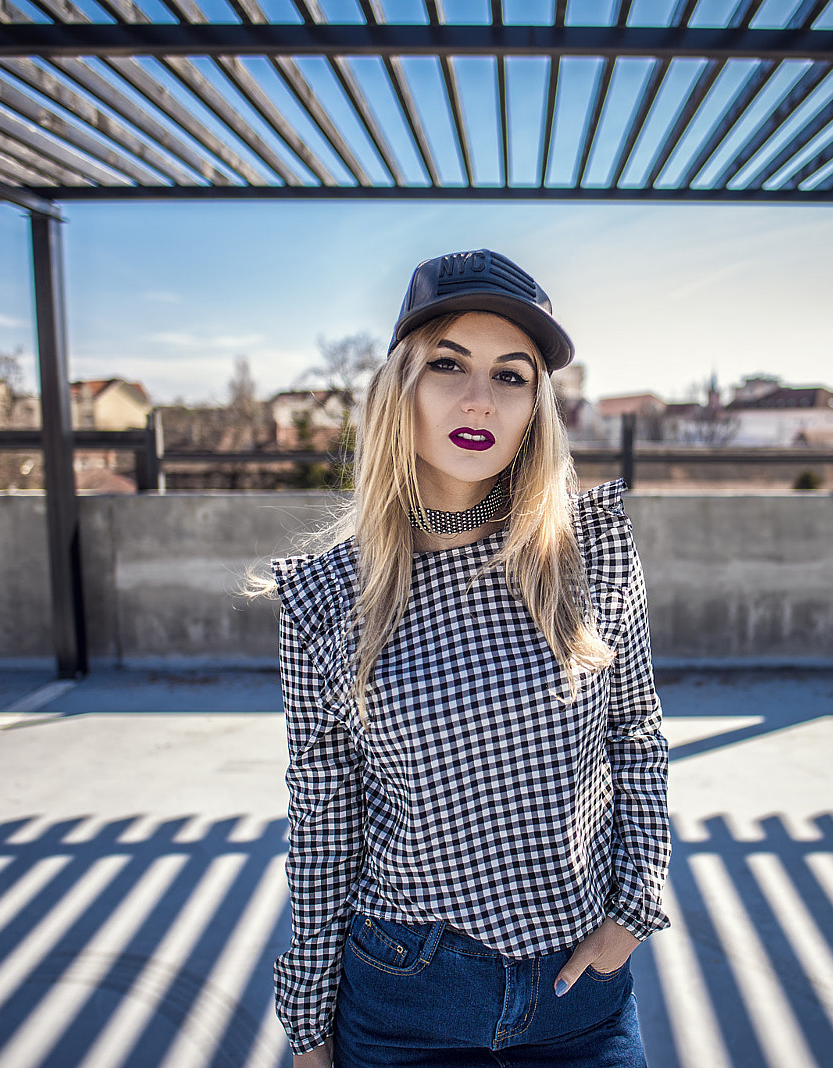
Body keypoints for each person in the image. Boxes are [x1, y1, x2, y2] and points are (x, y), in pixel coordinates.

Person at [255, 249, 671, 1067]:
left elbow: (637, 735)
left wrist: (635, 908)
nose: (480, 398)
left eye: (512, 376)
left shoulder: (591, 550)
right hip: (407, 992)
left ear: (535, 408)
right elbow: (324, 820)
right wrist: (308, 1025)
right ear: (398, 388)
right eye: (449, 365)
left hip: (578, 995)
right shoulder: (324, 597)